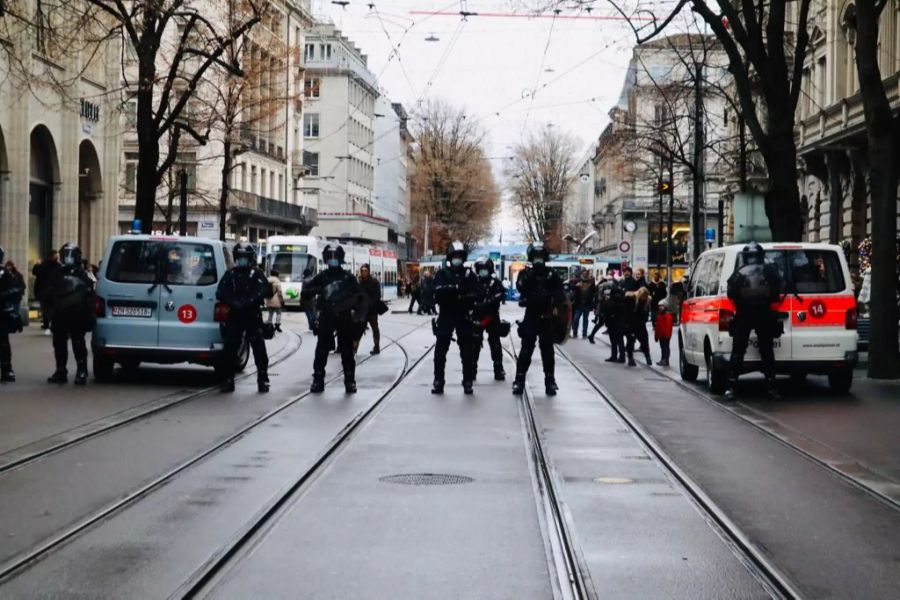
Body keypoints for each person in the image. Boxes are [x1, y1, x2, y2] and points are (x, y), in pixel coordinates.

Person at [303, 245, 368, 394]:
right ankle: (318, 379)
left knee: (346, 351)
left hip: (344, 316)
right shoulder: (322, 276)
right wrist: (320, 290)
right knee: (322, 349)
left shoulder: (348, 277)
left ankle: (349, 380)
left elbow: (361, 297)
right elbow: (306, 293)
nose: (333, 260)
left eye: (335, 257)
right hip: (326, 315)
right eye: (330, 257)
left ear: (340, 258)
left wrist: (359, 319)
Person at [725, 241, 782, 401]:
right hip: (763, 313)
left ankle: (732, 385)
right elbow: (777, 291)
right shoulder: (769, 271)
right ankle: (771, 385)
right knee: (767, 350)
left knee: (737, 351)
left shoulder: (739, 272)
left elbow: (731, 293)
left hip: (744, 313)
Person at [216, 242, 273, 393]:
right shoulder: (231, 274)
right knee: (230, 348)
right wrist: (233, 302)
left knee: (259, 349)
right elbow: (220, 292)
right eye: (239, 257)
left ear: (250, 258)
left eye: (244, 257)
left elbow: (265, 290)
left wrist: (250, 301)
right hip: (234, 316)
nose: (242, 260)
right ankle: (228, 379)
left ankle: (263, 379)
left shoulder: (256, 274)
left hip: (252, 315)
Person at [512, 241, 567, 396]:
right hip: (531, 316)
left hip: (547, 317)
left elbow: (561, 294)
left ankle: (550, 381)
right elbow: (520, 287)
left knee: (548, 351)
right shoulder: (526, 273)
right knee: (526, 350)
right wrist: (531, 275)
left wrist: (556, 305)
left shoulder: (552, 274)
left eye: (541, 257)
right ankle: (519, 380)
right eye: (535, 257)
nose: (538, 260)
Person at [431, 241, 478, 395]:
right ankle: (438, 380)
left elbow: (476, 293)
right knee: (440, 349)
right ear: (450, 258)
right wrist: (456, 289)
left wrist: (462, 296)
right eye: (455, 256)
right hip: (446, 313)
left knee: (467, 350)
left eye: (460, 256)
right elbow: (438, 291)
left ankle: (468, 380)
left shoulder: (469, 274)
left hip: (463, 314)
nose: (457, 259)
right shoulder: (443, 273)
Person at [46, 243, 95, 385]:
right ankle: (61, 370)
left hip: (76, 312)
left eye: (70, 254)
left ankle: (82, 370)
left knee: (78, 343)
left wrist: (87, 308)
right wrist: (50, 306)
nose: (67, 257)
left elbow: (88, 291)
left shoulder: (82, 273)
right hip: (61, 312)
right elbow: (50, 289)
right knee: (59, 343)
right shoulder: (58, 272)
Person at [470, 256, 507, 381]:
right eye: (480, 269)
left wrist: (491, 300)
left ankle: (498, 368)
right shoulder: (474, 281)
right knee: (474, 343)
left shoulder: (495, 282)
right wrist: (474, 304)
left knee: (495, 343)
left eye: (485, 269)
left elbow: (502, 293)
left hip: (492, 316)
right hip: (477, 315)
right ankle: (472, 368)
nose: (482, 271)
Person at [0, 251, 26, 383]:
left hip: (2, 311)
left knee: (3, 342)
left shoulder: (5, 274)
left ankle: (6, 369)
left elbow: (15, 291)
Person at [32, 250, 60, 335]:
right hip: (49, 291)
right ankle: (49, 324)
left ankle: (47, 324)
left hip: (44, 291)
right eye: (56, 256)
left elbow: (35, 272)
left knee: (46, 309)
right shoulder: (55, 266)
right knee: (50, 309)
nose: (57, 257)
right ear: (51, 256)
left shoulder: (42, 265)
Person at [357, 263, 383, 355]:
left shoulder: (374, 282)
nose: (363, 272)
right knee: (358, 329)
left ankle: (377, 347)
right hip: (363, 311)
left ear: (368, 271)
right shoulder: (360, 283)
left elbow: (377, 296)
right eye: (362, 271)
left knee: (375, 329)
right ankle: (354, 348)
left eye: (365, 271)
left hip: (372, 311)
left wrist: (369, 304)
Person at [624, 287, 653, 367]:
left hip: (640, 323)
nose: (644, 298)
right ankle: (631, 359)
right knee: (630, 341)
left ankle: (647, 357)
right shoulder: (631, 299)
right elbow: (628, 312)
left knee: (644, 341)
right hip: (631, 323)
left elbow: (646, 312)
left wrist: (644, 320)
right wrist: (627, 324)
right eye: (643, 297)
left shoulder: (647, 300)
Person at [571, 269, 597, 339]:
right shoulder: (577, 280)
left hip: (587, 303)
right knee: (576, 318)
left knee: (585, 319)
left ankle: (584, 334)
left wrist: (593, 281)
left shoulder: (591, 281)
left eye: (586, 273)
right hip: (579, 304)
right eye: (584, 273)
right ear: (581, 274)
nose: (585, 274)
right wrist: (576, 286)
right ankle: (575, 333)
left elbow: (594, 290)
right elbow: (572, 288)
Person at [654, 301, 674, 367]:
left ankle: (665, 360)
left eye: (662, 306)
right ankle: (663, 359)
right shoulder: (659, 316)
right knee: (663, 347)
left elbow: (668, 326)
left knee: (665, 347)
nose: (660, 307)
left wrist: (667, 335)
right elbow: (657, 327)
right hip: (661, 335)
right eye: (659, 306)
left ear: (665, 307)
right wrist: (656, 336)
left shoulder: (667, 316)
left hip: (665, 335)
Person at [301, 268, 318, 333]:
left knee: (308, 313)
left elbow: (302, 291)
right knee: (313, 312)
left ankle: (311, 324)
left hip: (306, 299)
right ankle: (314, 323)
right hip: (312, 298)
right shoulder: (313, 279)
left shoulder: (304, 281)